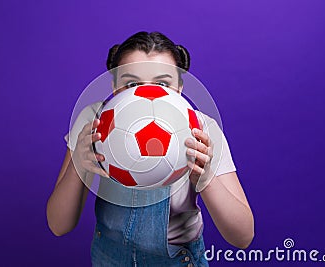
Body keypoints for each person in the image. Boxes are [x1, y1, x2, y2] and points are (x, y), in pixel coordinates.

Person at [46, 31, 254, 266]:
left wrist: (206, 178)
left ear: (180, 89)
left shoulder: (202, 129)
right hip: (108, 260)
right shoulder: (93, 121)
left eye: (163, 84)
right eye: (132, 83)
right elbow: (58, 225)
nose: (145, 94)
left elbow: (243, 236)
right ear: (114, 87)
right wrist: (78, 166)